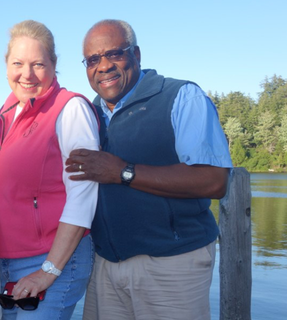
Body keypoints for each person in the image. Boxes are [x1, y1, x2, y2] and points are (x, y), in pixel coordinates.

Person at [66, 19, 233, 320]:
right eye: (93, 59)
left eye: (115, 53)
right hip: (105, 266)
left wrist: (123, 172)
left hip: (172, 267)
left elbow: (214, 180)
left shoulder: (181, 97)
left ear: (137, 55)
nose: (103, 66)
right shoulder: (87, 113)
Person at [0, 20, 100, 320]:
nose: (27, 74)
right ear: (6, 65)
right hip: (6, 264)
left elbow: (83, 196)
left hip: (51, 261)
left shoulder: (70, 109)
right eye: (18, 63)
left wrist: (48, 271)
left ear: (54, 65)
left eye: (38, 64)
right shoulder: (4, 114)